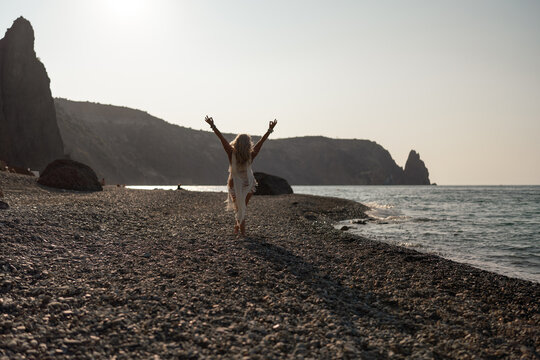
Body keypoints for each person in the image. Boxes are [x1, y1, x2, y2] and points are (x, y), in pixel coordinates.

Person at [205, 115, 277, 237]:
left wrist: (212, 125)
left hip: (234, 183)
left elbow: (221, 138)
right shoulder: (251, 154)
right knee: (242, 207)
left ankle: (241, 232)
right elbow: (261, 142)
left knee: (239, 208)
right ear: (248, 144)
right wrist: (269, 130)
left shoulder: (230, 152)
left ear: (237, 142)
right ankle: (238, 229)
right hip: (249, 183)